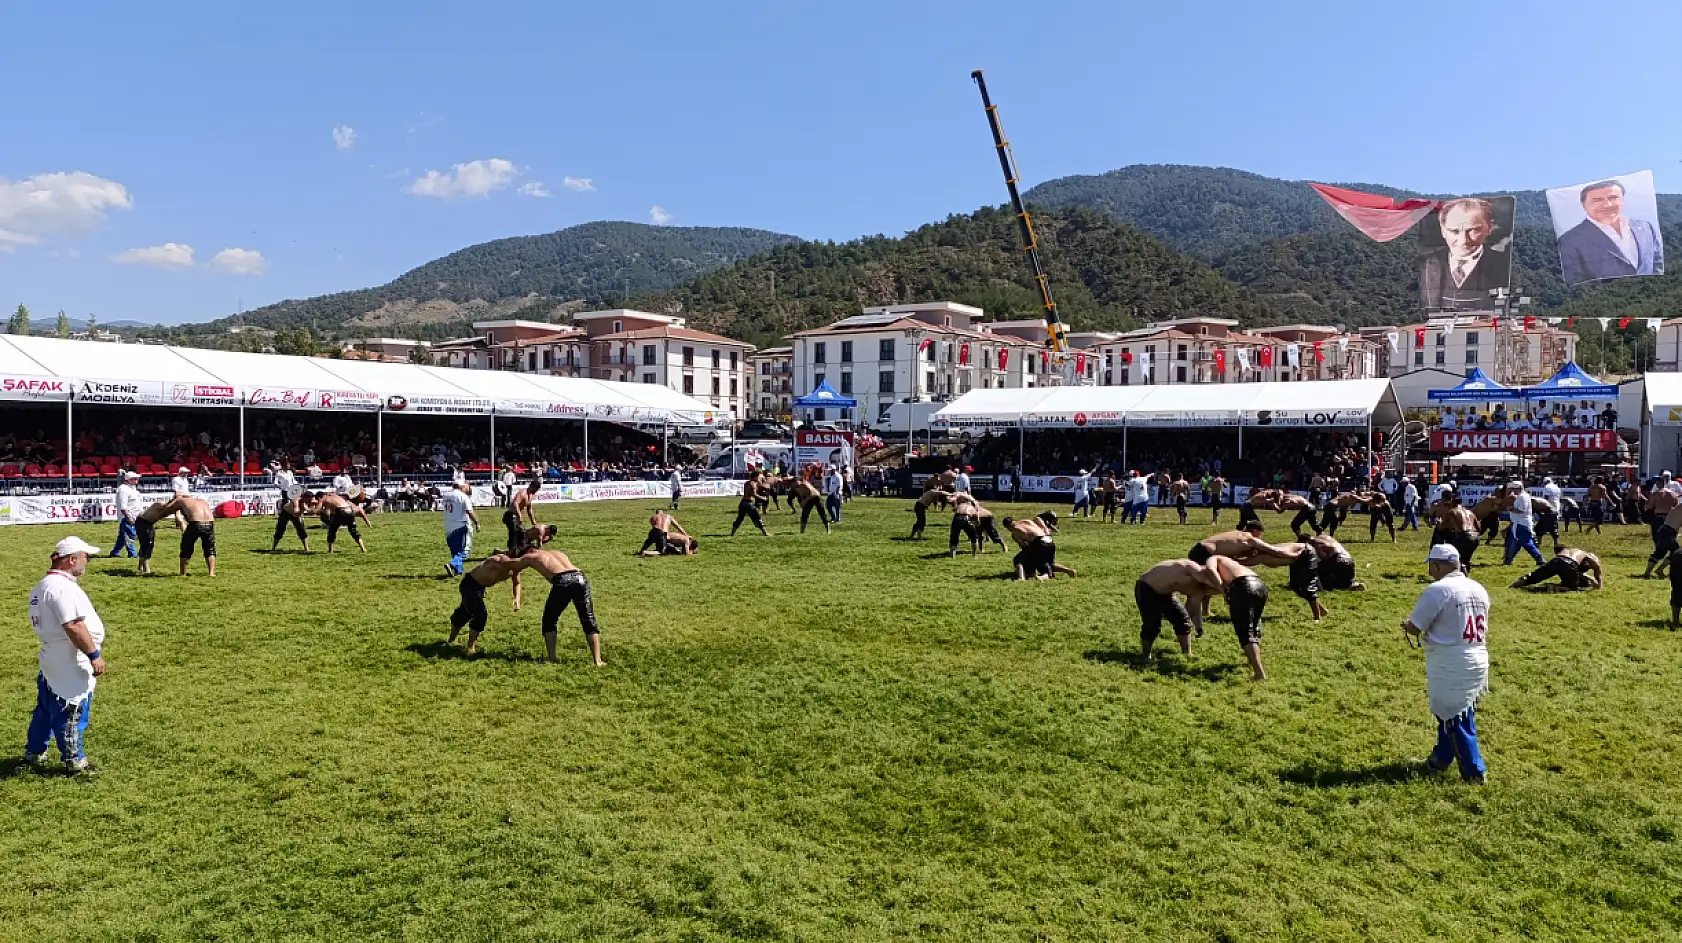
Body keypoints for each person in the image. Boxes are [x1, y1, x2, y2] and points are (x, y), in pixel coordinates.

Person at [1402, 544, 1490, 785]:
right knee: (1457, 711)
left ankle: (1474, 771)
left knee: (1456, 717)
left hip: (1452, 659)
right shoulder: (1478, 587)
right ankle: (1440, 759)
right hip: (1477, 656)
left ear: (1437, 565)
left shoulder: (1438, 590)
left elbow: (1416, 626)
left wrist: (1407, 625)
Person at [23, 537, 107, 774]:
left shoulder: (43, 585)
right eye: (84, 557)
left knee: (45, 708)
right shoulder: (62, 588)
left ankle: (35, 751)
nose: (86, 561)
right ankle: (74, 760)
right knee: (72, 708)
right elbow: (73, 625)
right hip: (70, 656)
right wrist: (93, 655)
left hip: (52, 654)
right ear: (71, 559)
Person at [1556, 178, 1665, 284]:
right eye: (1597, 200)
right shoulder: (1569, 240)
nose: (1607, 205)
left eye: (1613, 198)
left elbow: (1657, 265)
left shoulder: (1646, 227)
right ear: (1584, 205)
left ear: (1622, 200)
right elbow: (1575, 282)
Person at [518, 546, 606, 666]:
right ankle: (598, 660)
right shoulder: (556, 552)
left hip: (563, 580)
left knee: (549, 620)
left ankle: (552, 658)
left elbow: (512, 564)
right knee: (588, 619)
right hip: (580, 577)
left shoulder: (531, 556)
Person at [1418, 198, 1510, 310]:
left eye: (1473, 230)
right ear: (1443, 230)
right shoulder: (1424, 264)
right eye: (1454, 231)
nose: (1463, 240)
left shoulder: (1504, 265)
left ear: (1489, 227)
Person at [1134, 557, 1223, 663]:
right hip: (1146, 587)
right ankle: (1145, 656)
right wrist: (1220, 585)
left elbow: (1195, 610)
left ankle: (1187, 653)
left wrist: (1199, 627)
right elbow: (1196, 572)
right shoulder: (1192, 567)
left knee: (1183, 619)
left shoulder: (1198, 590)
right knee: (1152, 623)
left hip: (1166, 594)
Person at [1207, 554, 1270, 681]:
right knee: (1254, 626)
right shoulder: (1231, 562)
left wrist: (1223, 590)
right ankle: (1251, 661)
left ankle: (1259, 673)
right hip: (1260, 585)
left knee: (1245, 631)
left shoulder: (1214, 558)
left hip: (1242, 586)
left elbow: (1211, 569)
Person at [448, 552, 525, 655]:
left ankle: (451, 640)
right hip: (469, 584)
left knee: (465, 611)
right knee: (480, 613)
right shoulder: (497, 561)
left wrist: (517, 599)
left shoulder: (515, 568)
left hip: (480, 587)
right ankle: (470, 646)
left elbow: (517, 583)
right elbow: (487, 566)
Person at [1003, 512, 1075, 581]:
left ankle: (1022, 578)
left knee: (1018, 559)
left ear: (1008, 527)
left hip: (1039, 543)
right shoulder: (1026, 521)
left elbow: (1024, 547)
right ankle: (1069, 571)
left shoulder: (1014, 532)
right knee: (1049, 564)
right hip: (1049, 540)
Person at [168, 493, 217, 577]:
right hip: (210, 523)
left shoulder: (180, 500)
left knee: (186, 547)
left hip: (196, 522)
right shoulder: (200, 501)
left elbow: (168, 508)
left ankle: (183, 573)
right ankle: (211, 573)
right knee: (210, 548)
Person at [1510, 547, 1602, 592]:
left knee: (1533, 577)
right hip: (1570, 564)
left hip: (1556, 560)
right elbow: (1597, 570)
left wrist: (1588, 578)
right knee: (1571, 588)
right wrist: (1599, 585)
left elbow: (1576, 572)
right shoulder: (1589, 557)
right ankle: (1553, 588)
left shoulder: (1574, 551)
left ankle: (1513, 585)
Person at [1502, 482, 1544, 567]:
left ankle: (1540, 559)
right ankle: (1508, 559)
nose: (1512, 491)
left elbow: (1522, 510)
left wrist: (1511, 509)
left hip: (1521, 523)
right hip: (1519, 523)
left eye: (1513, 489)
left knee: (1526, 543)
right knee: (1514, 542)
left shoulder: (1522, 497)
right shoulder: (1523, 496)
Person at [440, 482, 478, 576]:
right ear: (461, 487)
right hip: (460, 524)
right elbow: (469, 511)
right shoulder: (463, 496)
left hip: (448, 524)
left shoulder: (446, 495)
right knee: (464, 550)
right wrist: (476, 522)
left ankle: (458, 570)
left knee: (455, 550)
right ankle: (452, 564)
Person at [1642, 501, 1682, 579]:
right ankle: (1660, 569)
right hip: (1669, 532)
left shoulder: (1677, 508)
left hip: (1663, 530)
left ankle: (1647, 572)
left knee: (1659, 552)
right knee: (1676, 553)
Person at [109, 470, 144, 558]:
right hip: (128, 516)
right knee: (130, 535)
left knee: (123, 536)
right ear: (129, 479)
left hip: (134, 516)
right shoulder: (123, 489)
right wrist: (128, 517)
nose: (137, 480)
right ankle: (132, 553)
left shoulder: (132, 489)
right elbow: (123, 506)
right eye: (135, 478)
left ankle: (115, 552)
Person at [504, 479, 542, 554]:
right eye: (536, 489)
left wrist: (533, 521)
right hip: (510, 515)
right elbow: (515, 504)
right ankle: (512, 549)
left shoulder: (531, 496)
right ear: (532, 486)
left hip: (516, 517)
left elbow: (529, 510)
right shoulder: (522, 493)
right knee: (514, 532)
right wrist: (519, 515)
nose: (536, 491)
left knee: (522, 532)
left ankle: (520, 549)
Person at [272, 485, 312, 552]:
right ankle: (273, 548)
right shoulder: (295, 500)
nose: (309, 500)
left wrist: (310, 510)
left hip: (294, 513)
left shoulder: (307, 501)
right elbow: (295, 513)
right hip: (286, 512)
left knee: (301, 529)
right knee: (280, 529)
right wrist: (302, 511)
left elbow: (311, 509)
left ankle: (306, 548)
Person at [732, 472, 770, 537]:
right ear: (755, 477)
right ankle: (765, 533)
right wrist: (763, 498)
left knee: (740, 518)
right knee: (757, 518)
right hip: (749, 504)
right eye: (758, 477)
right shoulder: (753, 484)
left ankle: (732, 533)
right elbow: (754, 494)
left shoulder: (746, 483)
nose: (759, 478)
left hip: (742, 503)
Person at [949, 490, 983, 557]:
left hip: (956, 518)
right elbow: (977, 517)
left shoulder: (960, 505)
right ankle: (974, 556)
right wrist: (977, 523)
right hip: (966, 518)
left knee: (954, 538)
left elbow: (954, 510)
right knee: (974, 537)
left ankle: (952, 555)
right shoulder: (971, 507)